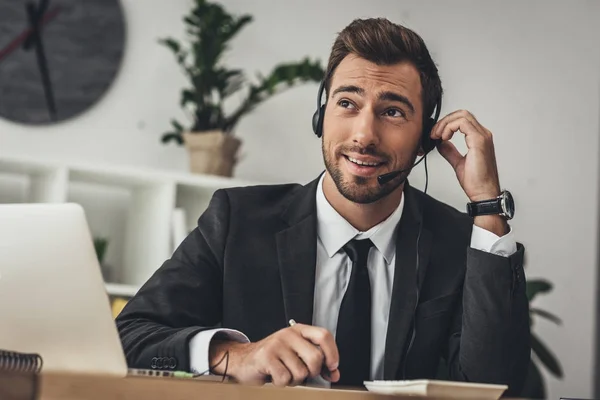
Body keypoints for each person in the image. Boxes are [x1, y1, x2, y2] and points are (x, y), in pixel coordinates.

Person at [116, 17, 530, 395]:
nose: (364, 135)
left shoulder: (461, 243)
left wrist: (487, 205)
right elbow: (127, 338)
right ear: (321, 114)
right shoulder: (236, 221)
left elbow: (498, 387)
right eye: (347, 103)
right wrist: (237, 356)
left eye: (392, 111)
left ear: (425, 139)